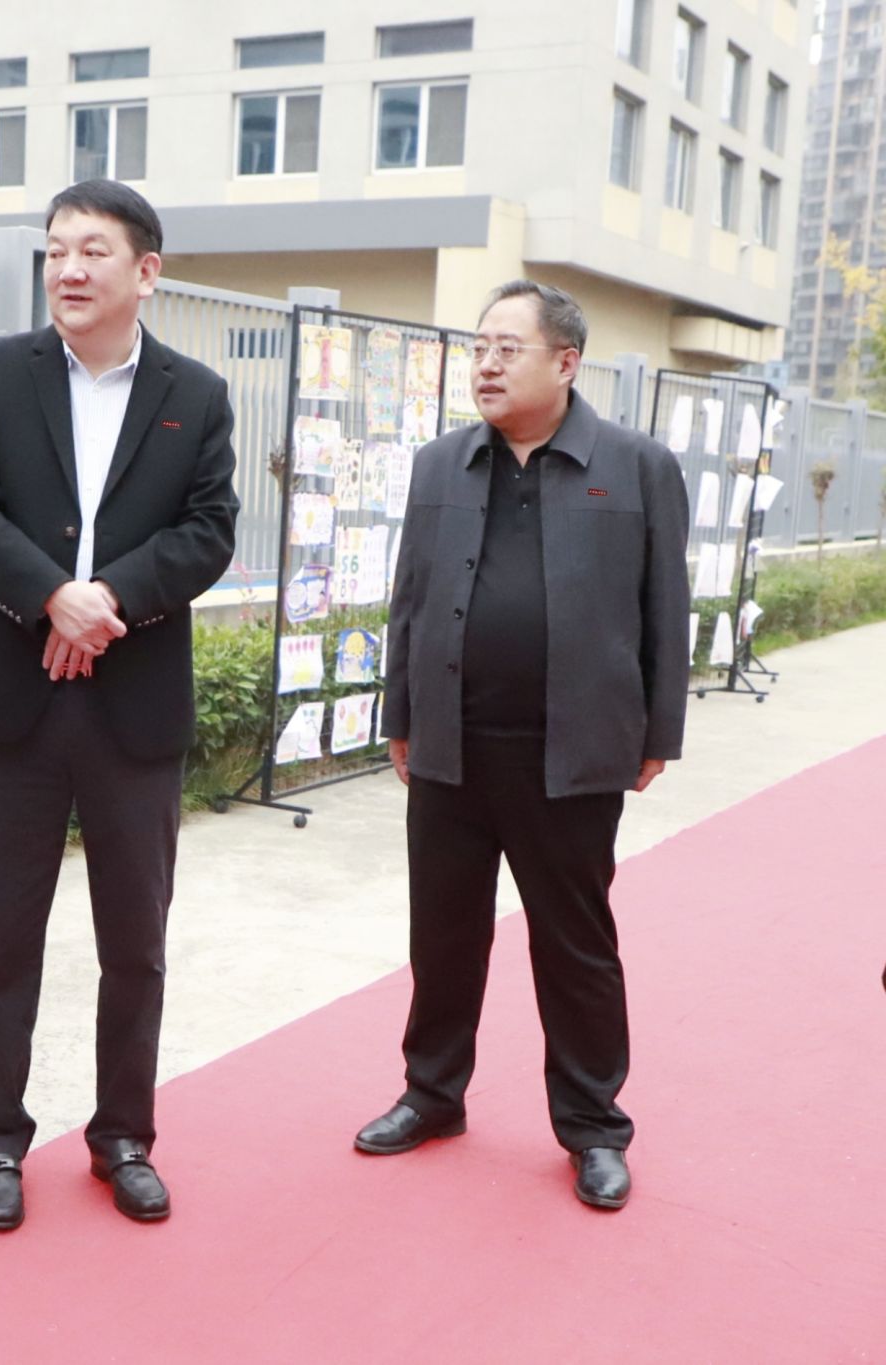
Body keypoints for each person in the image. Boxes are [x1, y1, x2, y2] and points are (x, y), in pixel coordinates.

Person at [0, 179, 241, 1232]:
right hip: (13, 699)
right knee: (2, 940)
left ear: (145, 271)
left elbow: (208, 530)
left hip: (132, 703)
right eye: (57, 250)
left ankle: (123, 1137)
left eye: (92, 251)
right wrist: (48, 596)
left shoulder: (196, 394)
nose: (67, 269)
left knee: (135, 943)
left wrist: (103, 598)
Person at [356, 280, 690, 1211]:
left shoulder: (636, 465)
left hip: (572, 753)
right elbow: (411, 599)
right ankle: (431, 1093)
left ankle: (593, 1126)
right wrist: (401, 715)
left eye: (509, 348)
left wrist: (658, 731)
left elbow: (665, 607)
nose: (487, 364)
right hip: (453, 747)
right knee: (443, 935)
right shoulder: (440, 464)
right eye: (479, 347)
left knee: (576, 945)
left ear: (566, 362)